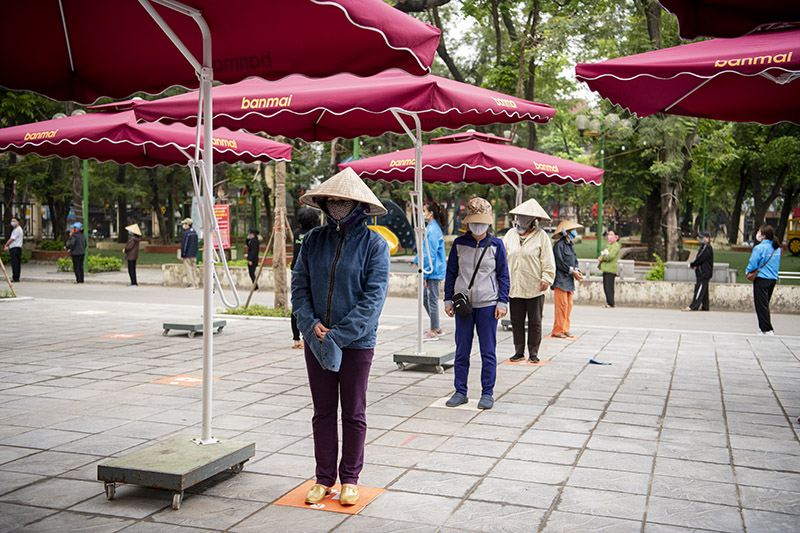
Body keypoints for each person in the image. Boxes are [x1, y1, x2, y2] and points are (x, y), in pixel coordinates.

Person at [291, 167, 390, 507]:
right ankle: (323, 477)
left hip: (357, 342)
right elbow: (299, 287)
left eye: (344, 201)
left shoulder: (375, 245)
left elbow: (373, 300)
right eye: (332, 200)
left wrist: (339, 333)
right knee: (322, 412)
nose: (337, 206)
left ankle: (350, 477)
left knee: (353, 412)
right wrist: (309, 324)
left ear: (358, 205)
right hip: (316, 338)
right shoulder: (313, 241)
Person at [443, 197, 509, 410]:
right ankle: (460, 391)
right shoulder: (459, 244)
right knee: (462, 349)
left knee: (488, 351)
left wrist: (502, 301)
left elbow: (503, 276)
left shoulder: (497, 245)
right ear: (468, 222)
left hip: (489, 305)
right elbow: (451, 272)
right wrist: (447, 299)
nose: (478, 225)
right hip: (463, 304)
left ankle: (487, 393)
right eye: (474, 220)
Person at [503, 198, 555, 363]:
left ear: (535, 220)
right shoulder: (510, 235)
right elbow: (503, 258)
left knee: (535, 321)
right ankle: (519, 350)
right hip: (514, 286)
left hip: (534, 286)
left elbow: (548, 260)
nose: (523, 221)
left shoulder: (541, 237)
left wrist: (546, 278)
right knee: (516, 320)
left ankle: (533, 352)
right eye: (521, 217)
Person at [416, 201, 447, 341]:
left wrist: (426, 272)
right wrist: (417, 260)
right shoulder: (432, 228)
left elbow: (431, 253)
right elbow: (425, 248)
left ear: (430, 213)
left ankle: (434, 330)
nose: (422, 213)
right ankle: (436, 325)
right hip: (433, 270)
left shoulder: (432, 230)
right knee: (426, 299)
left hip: (433, 271)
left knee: (431, 300)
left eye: (424, 210)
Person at [291, 207, 321, 349]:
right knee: (312, 305)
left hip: (297, 272)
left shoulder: (297, 233)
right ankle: (306, 336)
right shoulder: (317, 235)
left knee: (297, 304)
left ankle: (296, 339)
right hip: (314, 273)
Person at [745, 224, 782, 335]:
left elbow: (753, 263)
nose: (757, 234)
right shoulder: (777, 249)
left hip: (762, 279)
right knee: (765, 304)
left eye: (759, 232)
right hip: (772, 279)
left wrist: (748, 271)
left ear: (763, 235)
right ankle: (764, 328)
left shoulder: (759, 248)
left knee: (761, 305)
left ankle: (767, 329)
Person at [551, 220, 583, 338]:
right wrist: (572, 271)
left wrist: (577, 271)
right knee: (561, 305)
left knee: (569, 305)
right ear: (566, 232)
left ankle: (565, 329)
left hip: (569, 280)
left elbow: (574, 261)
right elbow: (559, 262)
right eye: (571, 230)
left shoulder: (571, 245)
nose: (574, 232)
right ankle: (557, 330)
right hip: (560, 280)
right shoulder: (559, 245)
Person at [682, 231, 714, 312]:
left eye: (702, 238)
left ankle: (693, 306)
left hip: (704, 273)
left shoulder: (707, 248)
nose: (700, 239)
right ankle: (705, 306)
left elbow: (700, 258)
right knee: (704, 289)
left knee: (699, 288)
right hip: (702, 272)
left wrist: (692, 265)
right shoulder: (703, 247)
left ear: (707, 238)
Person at [598, 230, 621, 308]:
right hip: (606, 268)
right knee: (606, 286)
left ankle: (611, 303)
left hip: (611, 269)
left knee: (609, 286)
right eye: (609, 234)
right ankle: (608, 301)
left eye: (612, 234)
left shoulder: (616, 245)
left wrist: (603, 258)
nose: (609, 236)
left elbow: (611, 256)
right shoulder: (609, 245)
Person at [180, 217, 199, 289]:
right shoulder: (195, 232)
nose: (184, 225)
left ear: (187, 224)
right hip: (194, 254)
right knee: (194, 268)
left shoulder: (186, 233)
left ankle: (191, 284)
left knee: (189, 269)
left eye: (184, 224)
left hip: (187, 254)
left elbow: (184, 245)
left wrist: (183, 255)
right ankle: (196, 283)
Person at [3, 215, 23, 282]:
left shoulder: (18, 230)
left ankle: (16, 277)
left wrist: (6, 245)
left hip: (16, 249)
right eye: (12, 221)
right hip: (14, 248)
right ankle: (16, 276)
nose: (12, 222)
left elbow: (11, 239)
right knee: (15, 263)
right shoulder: (15, 230)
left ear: (18, 222)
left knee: (15, 263)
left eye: (14, 221)